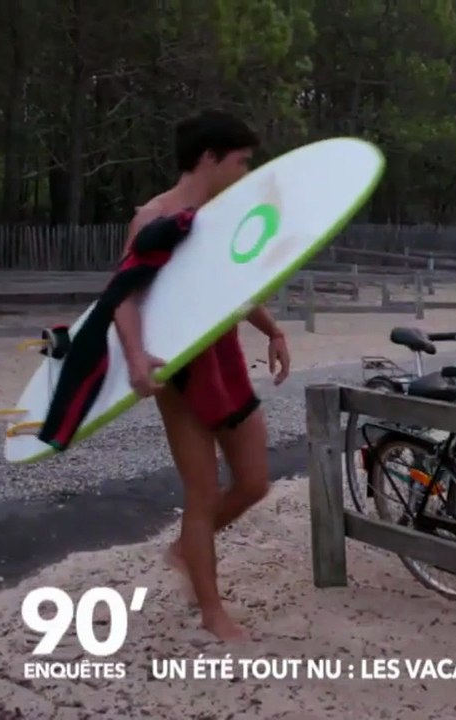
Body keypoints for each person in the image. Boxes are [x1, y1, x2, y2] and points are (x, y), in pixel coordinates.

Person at [116, 110, 290, 642]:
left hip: (226, 354)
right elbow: (124, 295)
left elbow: (229, 286)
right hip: (179, 365)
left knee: (255, 481)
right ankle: (213, 612)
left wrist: (272, 329)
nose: (245, 171)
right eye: (240, 161)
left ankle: (186, 551)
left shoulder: (220, 214)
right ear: (211, 158)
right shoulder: (154, 218)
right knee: (202, 491)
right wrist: (135, 359)